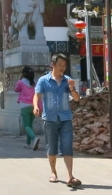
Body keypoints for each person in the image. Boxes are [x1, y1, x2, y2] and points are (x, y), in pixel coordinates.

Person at [34, 54, 81, 187]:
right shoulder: (43, 80)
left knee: (67, 146)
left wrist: (72, 88)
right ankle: (53, 172)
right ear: (53, 65)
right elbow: (37, 95)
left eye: (64, 65)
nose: (62, 68)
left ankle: (70, 176)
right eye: (60, 65)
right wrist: (36, 106)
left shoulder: (68, 81)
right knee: (51, 147)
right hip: (49, 118)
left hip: (65, 118)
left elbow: (76, 98)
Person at [15, 66, 39, 150]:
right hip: (33, 106)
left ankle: (34, 138)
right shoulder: (34, 82)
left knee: (26, 125)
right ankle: (28, 144)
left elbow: (16, 90)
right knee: (30, 125)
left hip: (25, 106)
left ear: (23, 74)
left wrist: (20, 79)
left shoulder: (21, 82)